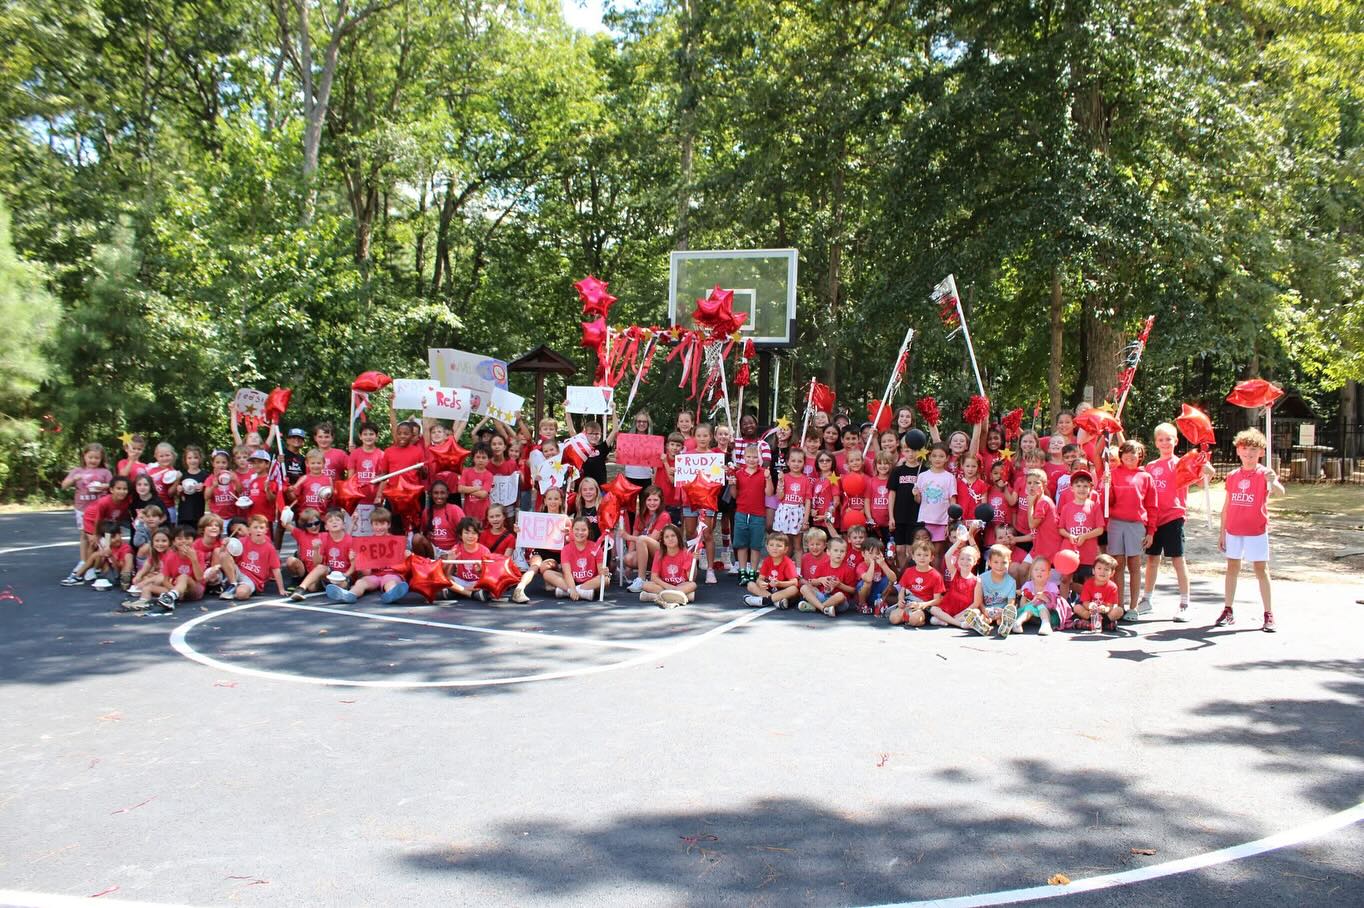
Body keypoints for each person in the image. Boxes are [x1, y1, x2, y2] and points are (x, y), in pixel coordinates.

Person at [1216, 428, 1284, 632]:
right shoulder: (1233, 475)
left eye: (1253, 449)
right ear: (1238, 451)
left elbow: (1280, 492)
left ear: (1261, 452)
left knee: (1261, 569)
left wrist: (1273, 480)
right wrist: (1222, 532)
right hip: (1233, 529)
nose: (1249, 453)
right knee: (1232, 568)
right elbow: (1227, 505)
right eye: (1245, 449)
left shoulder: (1264, 474)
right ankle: (1228, 609)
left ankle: (1268, 613)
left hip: (1256, 530)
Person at [1140, 422, 1203, 622]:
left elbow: (1201, 480)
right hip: (1154, 519)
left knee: (1178, 560)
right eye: (1161, 439)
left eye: (1169, 439)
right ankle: (1147, 599)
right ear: (1155, 443)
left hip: (1173, 517)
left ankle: (1184, 603)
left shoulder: (1182, 463)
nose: (1165, 443)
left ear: (1176, 441)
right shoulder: (1150, 466)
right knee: (1152, 560)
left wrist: (1205, 468)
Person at [1106, 439, 1158, 616]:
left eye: (1134, 452)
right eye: (1126, 452)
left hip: (1136, 525)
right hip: (1115, 523)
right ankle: (1119, 604)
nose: (1130, 455)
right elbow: (1109, 502)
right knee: (1117, 565)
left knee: (1134, 565)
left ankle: (1133, 607)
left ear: (1140, 456)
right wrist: (1105, 486)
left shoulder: (1145, 477)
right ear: (1120, 455)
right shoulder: (1112, 473)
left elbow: (1152, 506)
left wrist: (1151, 531)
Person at [324, 508, 408, 603]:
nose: (379, 527)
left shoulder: (396, 542)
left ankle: (391, 594)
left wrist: (405, 555)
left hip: (391, 574)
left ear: (388, 525)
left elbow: (403, 567)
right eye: (376, 524)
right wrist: (360, 559)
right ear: (371, 525)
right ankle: (348, 594)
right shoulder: (367, 544)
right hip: (374, 576)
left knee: (390, 582)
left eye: (382, 524)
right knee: (361, 582)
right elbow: (367, 573)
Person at [60, 443, 113, 584]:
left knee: (98, 536)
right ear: (84, 456)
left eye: (97, 458)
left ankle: (96, 564)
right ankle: (84, 561)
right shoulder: (77, 471)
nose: (93, 460)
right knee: (85, 535)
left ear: (101, 458)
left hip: (99, 508)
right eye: (90, 457)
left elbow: (113, 485)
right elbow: (64, 485)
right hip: (82, 508)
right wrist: (73, 479)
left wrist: (103, 486)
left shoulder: (105, 472)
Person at [1056, 469, 1104, 602]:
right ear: (1072, 488)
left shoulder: (1094, 506)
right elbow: (1061, 529)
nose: (1082, 489)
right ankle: (1064, 606)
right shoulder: (1066, 507)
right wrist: (1070, 535)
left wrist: (1085, 536)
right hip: (1069, 549)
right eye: (1078, 485)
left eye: (1085, 486)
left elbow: (1100, 529)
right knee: (1065, 578)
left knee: (1088, 580)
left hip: (1088, 550)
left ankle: (1087, 606)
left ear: (1090, 489)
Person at [728, 442, 772, 587]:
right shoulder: (739, 473)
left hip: (758, 514)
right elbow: (734, 495)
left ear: (759, 459)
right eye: (749, 457)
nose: (752, 460)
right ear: (744, 458)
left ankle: (753, 571)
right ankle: (742, 570)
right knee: (741, 544)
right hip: (741, 513)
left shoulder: (763, 473)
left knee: (755, 545)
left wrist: (768, 478)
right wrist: (732, 484)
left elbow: (769, 493)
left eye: (755, 457)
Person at [218, 514, 288, 601]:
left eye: (261, 528)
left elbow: (276, 569)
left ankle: (234, 588)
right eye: (255, 527)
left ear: (266, 530)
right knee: (223, 554)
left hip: (253, 579)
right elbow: (224, 555)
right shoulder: (242, 541)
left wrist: (281, 589)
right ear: (249, 530)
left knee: (241, 594)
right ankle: (233, 584)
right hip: (239, 571)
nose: (258, 530)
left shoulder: (269, 548)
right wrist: (225, 545)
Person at [542, 517, 607, 601]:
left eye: (583, 530)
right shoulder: (566, 549)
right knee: (547, 573)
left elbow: (600, 571)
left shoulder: (595, 547)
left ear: (589, 531)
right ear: (572, 531)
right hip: (571, 580)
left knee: (606, 579)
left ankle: (569, 591)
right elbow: (567, 572)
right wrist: (572, 588)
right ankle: (580, 592)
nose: (580, 532)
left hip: (590, 582)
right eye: (576, 529)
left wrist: (604, 571)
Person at [913, 443, 956, 559]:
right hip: (925, 521)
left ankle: (937, 577)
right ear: (930, 457)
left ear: (947, 458)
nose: (937, 459)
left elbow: (952, 500)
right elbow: (918, 500)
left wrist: (950, 522)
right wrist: (916, 494)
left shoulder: (950, 477)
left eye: (941, 456)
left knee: (936, 554)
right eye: (934, 455)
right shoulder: (922, 476)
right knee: (923, 553)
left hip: (942, 521)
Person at [887, 540, 944, 627]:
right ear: (913, 556)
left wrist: (922, 605)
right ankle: (907, 617)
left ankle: (917, 619)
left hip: (924, 605)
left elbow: (938, 600)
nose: (922, 558)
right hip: (909, 602)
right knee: (893, 618)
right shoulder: (909, 571)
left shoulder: (936, 575)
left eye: (926, 555)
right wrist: (900, 600)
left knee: (914, 620)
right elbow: (902, 590)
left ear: (931, 558)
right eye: (919, 555)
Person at [638, 524, 697, 607]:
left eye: (673, 535)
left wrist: (690, 560)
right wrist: (669, 587)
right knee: (645, 585)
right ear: (663, 541)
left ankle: (655, 596)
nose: (670, 539)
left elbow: (690, 578)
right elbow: (654, 577)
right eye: (667, 537)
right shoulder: (659, 554)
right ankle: (681, 596)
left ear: (678, 538)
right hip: (664, 585)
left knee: (693, 585)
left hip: (680, 585)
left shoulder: (686, 553)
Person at [798, 536, 856, 617]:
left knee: (840, 595)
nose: (839, 553)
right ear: (828, 552)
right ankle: (823, 608)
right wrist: (821, 580)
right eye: (836, 550)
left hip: (839, 603)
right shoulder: (822, 566)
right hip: (823, 596)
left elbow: (853, 590)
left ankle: (815, 607)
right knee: (804, 588)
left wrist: (839, 585)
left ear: (845, 554)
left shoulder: (848, 569)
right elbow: (812, 582)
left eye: (842, 551)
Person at [625, 487, 670, 590]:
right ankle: (650, 573)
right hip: (649, 552)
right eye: (649, 500)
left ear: (661, 501)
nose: (652, 503)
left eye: (655, 500)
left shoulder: (664, 516)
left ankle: (641, 579)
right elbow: (634, 536)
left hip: (663, 551)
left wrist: (627, 537)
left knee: (642, 539)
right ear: (644, 501)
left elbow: (652, 538)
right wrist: (628, 567)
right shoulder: (641, 515)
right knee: (628, 558)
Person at [772, 448, 812, 558]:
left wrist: (805, 519)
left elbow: (808, 500)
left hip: (798, 512)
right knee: (785, 544)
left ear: (804, 463)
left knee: (798, 545)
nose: (796, 464)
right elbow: (780, 497)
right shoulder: (784, 477)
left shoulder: (806, 480)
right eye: (793, 461)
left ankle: (798, 571)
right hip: (784, 511)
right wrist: (780, 482)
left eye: (799, 461)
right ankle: (784, 569)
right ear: (788, 462)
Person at [742, 533, 800, 609]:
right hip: (770, 590)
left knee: (794, 589)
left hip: (783, 591)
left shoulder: (788, 562)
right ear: (767, 548)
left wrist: (780, 584)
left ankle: (763, 601)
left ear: (785, 549)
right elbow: (760, 578)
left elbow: (795, 582)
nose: (774, 548)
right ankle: (776, 601)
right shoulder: (767, 561)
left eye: (779, 546)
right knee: (750, 584)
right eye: (771, 545)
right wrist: (760, 582)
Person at [446, 517, 493, 600]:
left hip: (477, 583)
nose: (470, 536)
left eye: (474, 533)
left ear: (478, 535)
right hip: (461, 581)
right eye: (466, 533)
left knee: (488, 584)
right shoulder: (456, 549)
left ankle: (458, 592)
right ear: (460, 534)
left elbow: (488, 576)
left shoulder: (484, 551)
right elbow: (447, 574)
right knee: (446, 580)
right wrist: (449, 561)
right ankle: (471, 594)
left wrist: (480, 571)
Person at [1075, 553, 1122, 632]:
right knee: (1077, 607)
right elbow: (1085, 602)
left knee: (1119, 610)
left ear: (1112, 573)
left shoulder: (1113, 587)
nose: (1102, 572)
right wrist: (1090, 606)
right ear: (1093, 571)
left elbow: (1109, 606)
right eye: (1099, 568)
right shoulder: (1088, 583)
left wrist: (1105, 609)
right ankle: (1103, 624)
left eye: (1106, 569)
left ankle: (1096, 624)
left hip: (1104, 614)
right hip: (1090, 613)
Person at [1013, 556, 1057, 636]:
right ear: (1031, 572)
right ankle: (1018, 623)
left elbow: (1055, 604)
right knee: (1031, 607)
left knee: (1041, 605)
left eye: (1043, 570)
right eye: (1036, 570)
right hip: (1030, 616)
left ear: (1049, 574)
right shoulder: (1028, 585)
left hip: (1048, 614)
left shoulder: (1052, 586)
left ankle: (1046, 624)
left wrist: (1045, 598)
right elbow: (1022, 605)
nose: (1039, 572)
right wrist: (1033, 602)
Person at [854, 536, 897, 615]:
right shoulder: (861, 566)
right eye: (870, 553)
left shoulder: (880, 564)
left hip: (877, 594)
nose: (874, 556)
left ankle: (881, 602)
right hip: (864, 595)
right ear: (863, 553)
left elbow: (894, 579)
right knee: (867, 582)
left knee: (889, 580)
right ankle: (862, 605)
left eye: (877, 553)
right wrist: (872, 563)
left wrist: (883, 564)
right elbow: (868, 579)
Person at [459, 444, 495, 526]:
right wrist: (478, 488)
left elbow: (483, 494)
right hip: (468, 512)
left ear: (488, 459)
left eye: (484, 457)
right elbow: (460, 489)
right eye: (478, 457)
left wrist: (467, 489)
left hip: (483, 512)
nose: (480, 460)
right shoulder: (466, 471)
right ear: (473, 458)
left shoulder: (489, 475)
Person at [177, 445, 210, 530]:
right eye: (189, 458)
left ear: (200, 459)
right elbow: (177, 494)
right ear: (185, 460)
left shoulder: (205, 475)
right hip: (184, 513)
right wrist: (179, 489)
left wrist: (204, 487)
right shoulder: (182, 475)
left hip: (198, 512)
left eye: (195, 457)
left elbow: (208, 495)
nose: (193, 460)